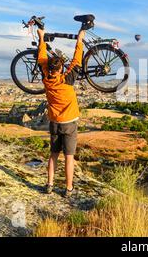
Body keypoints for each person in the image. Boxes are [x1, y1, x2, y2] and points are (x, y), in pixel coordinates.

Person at [36, 23, 89, 198]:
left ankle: (49, 185)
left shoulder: (45, 77)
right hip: (70, 124)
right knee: (69, 157)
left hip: (54, 123)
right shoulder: (67, 79)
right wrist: (80, 40)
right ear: (60, 69)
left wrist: (41, 37)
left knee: (53, 155)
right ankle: (68, 188)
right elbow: (77, 59)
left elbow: (42, 56)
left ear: (49, 68)